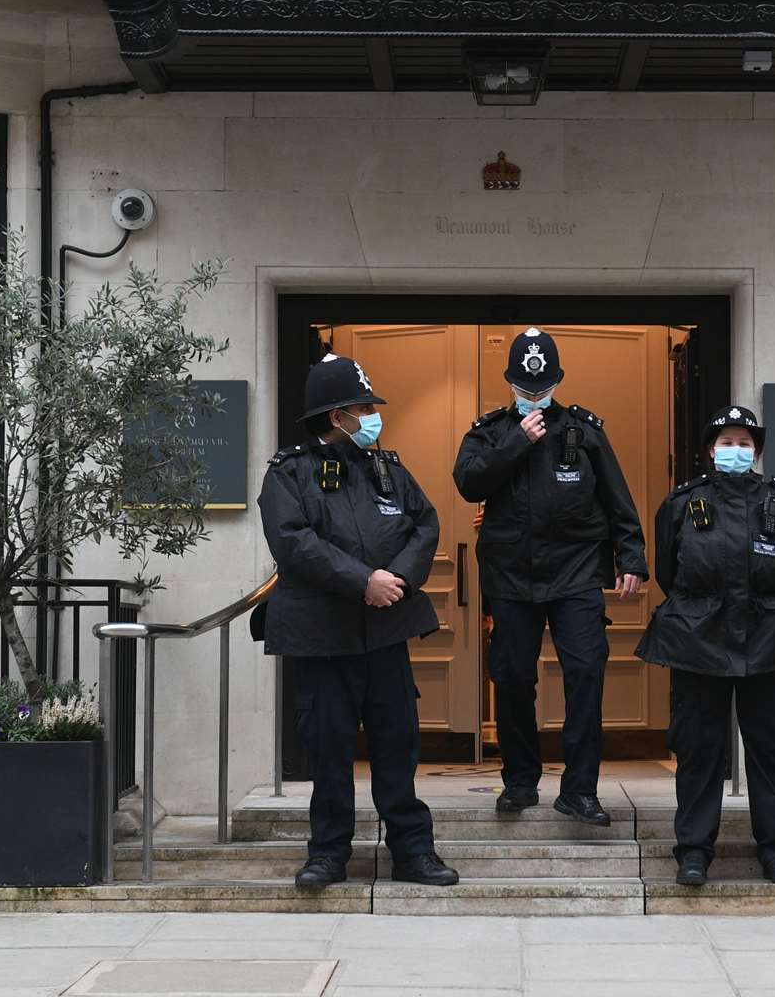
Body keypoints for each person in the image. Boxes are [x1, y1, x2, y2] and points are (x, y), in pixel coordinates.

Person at [258, 354, 459, 891]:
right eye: (365, 407)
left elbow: (425, 523)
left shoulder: (387, 468)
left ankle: (413, 852)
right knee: (328, 748)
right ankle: (328, 855)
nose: (373, 417)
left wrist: (396, 578)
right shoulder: (289, 472)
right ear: (336, 414)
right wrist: (360, 580)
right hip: (322, 637)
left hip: (385, 633)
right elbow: (294, 542)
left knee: (398, 744)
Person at [453, 327, 648, 826]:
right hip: (511, 577)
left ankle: (580, 790)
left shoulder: (584, 431)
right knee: (513, 677)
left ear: (558, 380)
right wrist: (516, 443)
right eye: (525, 388)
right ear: (510, 381)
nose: (534, 396)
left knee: (586, 671)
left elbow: (617, 499)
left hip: (576, 573)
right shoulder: (491, 431)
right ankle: (520, 781)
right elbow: (468, 482)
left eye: (542, 388)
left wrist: (631, 558)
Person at [635, 405, 775, 887]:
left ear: (756, 452)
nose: (736, 451)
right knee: (700, 751)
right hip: (699, 643)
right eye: (727, 443)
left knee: (771, 751)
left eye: (745, 444)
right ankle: (693, 851)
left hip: (768, 641)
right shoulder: (681, 503)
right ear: (711, 450)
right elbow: (669, 574)